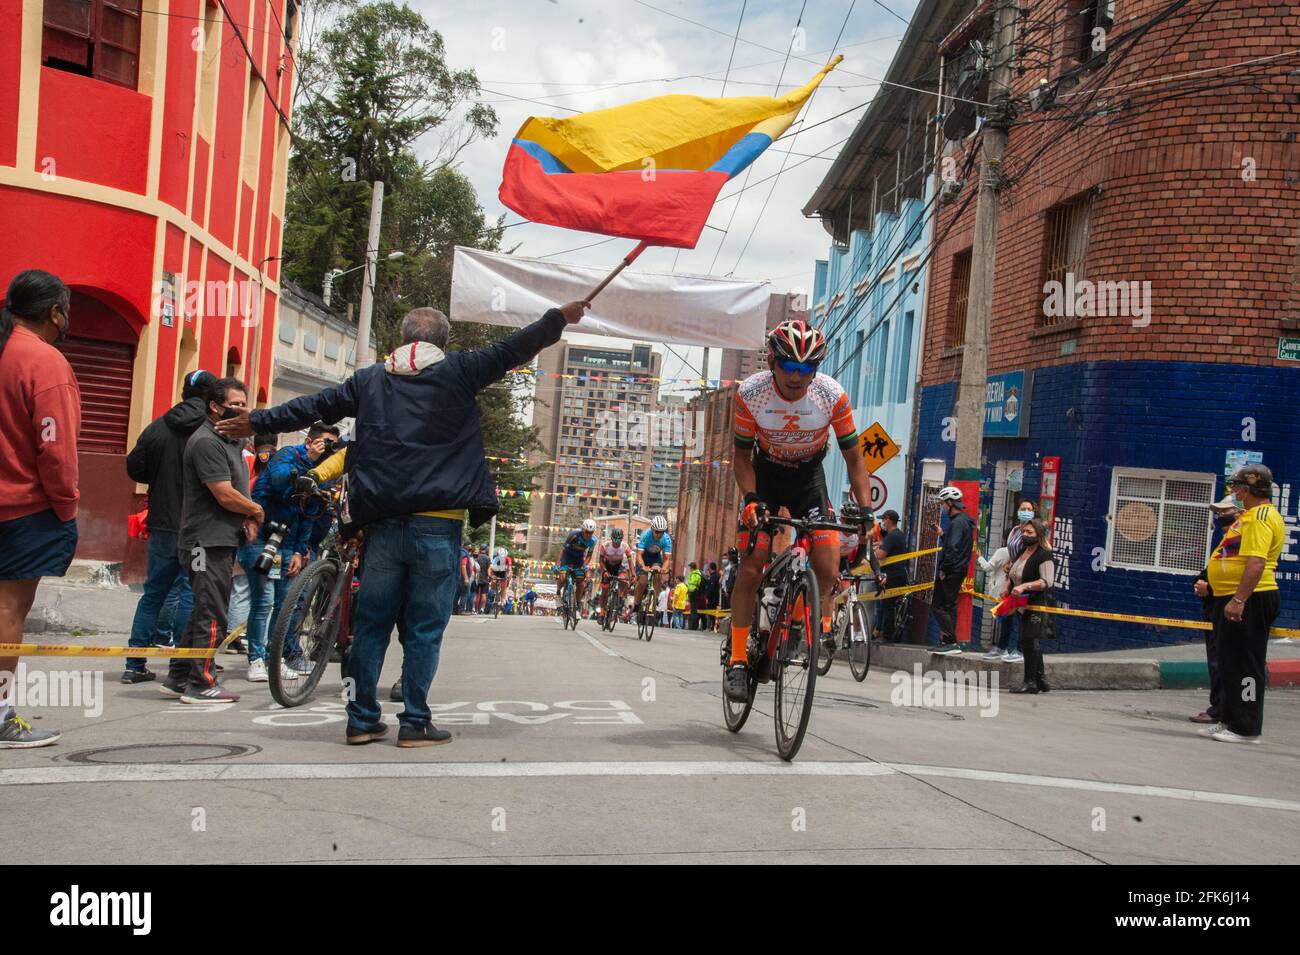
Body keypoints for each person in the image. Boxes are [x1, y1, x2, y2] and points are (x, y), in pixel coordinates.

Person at [219, 301, 589, 745]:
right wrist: (558, 319)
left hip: (384, 524)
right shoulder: (461, 370)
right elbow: (517, 347)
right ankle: (414, 721)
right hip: (439, 524)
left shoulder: (370, 379)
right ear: (444, 343)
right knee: (425, 627)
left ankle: (360, 720)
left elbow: (314, 406)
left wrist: (256, 419)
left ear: (401, 339)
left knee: (371, 624)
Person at [726, 319, 875, 701]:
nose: (797, 377)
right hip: (765, 477)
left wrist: (865, 509)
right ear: (773, 361)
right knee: (753, 564)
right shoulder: (751, 393)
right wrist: (750, 499)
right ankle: (739, 660)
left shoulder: (831, 396)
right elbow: (741, 458)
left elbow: (855, 458)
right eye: (790, 367)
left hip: (810, 477)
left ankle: (793, 627)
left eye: (807, 369)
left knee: (826, 567)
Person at [0, 270, 78, 748]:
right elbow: (56, 449)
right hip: (24, 509)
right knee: (9, 610)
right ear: (54, 312)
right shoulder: (43, 362)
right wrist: (66, 506)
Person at [163, 377, 262, 703]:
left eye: (244, 404)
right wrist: (254, 509)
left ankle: (179, 676)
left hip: (220, 539)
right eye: (234, 404)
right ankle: (202, 683)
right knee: (212, 612)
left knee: (203, 609)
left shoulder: (230, 442)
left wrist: (245, 517)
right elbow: (223, 493)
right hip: (202, 543)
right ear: (215, 407)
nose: (240, 410)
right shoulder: (207, 442)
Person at [120, 369, 215, 683]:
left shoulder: (158, 427)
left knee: (153, 594)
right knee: (192, 594)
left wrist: (158, 480)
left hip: (162, 524)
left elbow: (135, 466)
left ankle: (134, 664)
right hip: (198, 529)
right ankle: (183, 665)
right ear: (212, 399)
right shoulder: (211, 431)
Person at [239, 421, 339, 682]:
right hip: (262, 535)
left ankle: (276, 658)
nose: (327, 448)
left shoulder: (324, 472)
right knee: (264, 601)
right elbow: (279, 481)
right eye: (324, 442)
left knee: (284, 602)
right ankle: (256, 659)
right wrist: (309, 459)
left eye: (332, 445)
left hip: (285, 543)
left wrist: (299, 550)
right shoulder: (288, 455)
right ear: (310, 441)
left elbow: (309, 515)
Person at [1200, 465, 1285, 744]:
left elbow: (1257, 561)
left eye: (1236, 487)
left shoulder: (1260, 516)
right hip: (1232, 596)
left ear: (1247, 490)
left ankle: (1246, 728)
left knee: (1246, 662)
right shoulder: (1248, 517)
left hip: (1252, 597)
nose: (1233, 493)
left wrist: (1239, 599)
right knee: (1229, 662)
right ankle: (1229, 718)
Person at [1190, 496, 1243, 725]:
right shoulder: (1228, 538)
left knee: (1224, 661)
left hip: (1226, 606)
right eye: (1220, 513)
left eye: (1226, 512)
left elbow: (1237, 575)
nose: (1222, 517)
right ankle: (1221, 709)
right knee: (1218, 659)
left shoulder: (1242, 539)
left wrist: (1208, 588)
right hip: (1215, 607)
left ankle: (1223, 711)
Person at [1008, 519, 1055, 694]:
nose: (1025, 535)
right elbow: (1014, 572)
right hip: (1021, 603)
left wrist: (1024, 586)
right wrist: (1009, 586)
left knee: (1028, 640)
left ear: (1039, 535)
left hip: (1037, 603)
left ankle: (1030, 682)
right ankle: (1041, 680)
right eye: (1024, 532)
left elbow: (1046, 581)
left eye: (1030, 533)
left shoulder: (1044, 555)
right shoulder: (1023, 550)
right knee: (1029, 640)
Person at [929, 486, 975, 654]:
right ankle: (949, 641)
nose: (943, 507)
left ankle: (950, 641)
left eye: (943, 503)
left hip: (951, 570)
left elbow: (952, 549)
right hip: (959, 569)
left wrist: (944, 569)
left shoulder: (956, 523)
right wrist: (942, 534)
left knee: (939, 605)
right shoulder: (965, 521)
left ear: (949, 503)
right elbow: (954, 543)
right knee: (949, 606)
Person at [979, 528, 1022, 661]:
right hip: (1012, 589)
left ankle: (1004, 648)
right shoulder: (1018, 554)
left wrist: (979, 557)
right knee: (1014, 620)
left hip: (1003, 591)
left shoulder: (1002, 551)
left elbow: (987, 567)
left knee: (1006, 621)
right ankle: (1006, 648)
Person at [874, 510, 909, 644]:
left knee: (888, 605)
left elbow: (880, 555)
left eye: (883, 520)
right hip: (897, 574)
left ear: (888, 519)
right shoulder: (898, 535)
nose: (883, 523)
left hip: (892, 576)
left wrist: (875, 551)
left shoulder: (892, 536)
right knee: (886, 605)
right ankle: (881, 631)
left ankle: (886, 636)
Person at [555, 519, 597, 616]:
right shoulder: (573, 534)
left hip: (579, 559)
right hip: (567, 557)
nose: (588, 535)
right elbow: (562, 549)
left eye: (591, 533)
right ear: (583, 530)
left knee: (581, 583)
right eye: (586, 532)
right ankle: (558, 594)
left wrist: (584, 565)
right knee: (562, 576)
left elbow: (589, 555)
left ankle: (576, 606)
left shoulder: (593, 540)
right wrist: (557, 565)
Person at [633, 516, 672, 620]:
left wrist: (663, 568)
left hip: (655, 558)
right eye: (657, 532)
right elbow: (638, 555)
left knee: (658, 574)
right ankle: (637, 604)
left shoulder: (667, 539)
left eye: (661, 532)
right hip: (643, 557)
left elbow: (667, 558)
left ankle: (655, 597)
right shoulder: (645, 535)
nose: (659, 535)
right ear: (652, 529)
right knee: (642, 581)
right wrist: (643, 566)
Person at [596, 528, 631, 622]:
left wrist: (633, 575)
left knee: (624, 581)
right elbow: (601, 561)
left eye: (619, 540)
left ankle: (620, 598)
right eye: (615, 539)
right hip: (607, 567)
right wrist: (604, 571)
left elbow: (630, 562)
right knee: (605, 591)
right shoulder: (605, 546)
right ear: (611, 538)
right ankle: (602, 613)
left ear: (622, 539)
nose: (616, 542)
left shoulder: (625, 546)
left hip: (619, 567)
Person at [489, 547, 512, 612]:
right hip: (496, 571)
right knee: (493, 580)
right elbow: (491, 568)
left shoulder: (508, 559)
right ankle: (492, 591)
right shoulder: (495, 559)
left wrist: (508, 578)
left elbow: (510, 570)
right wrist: (491, 576)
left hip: (504, 572)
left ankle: (503, 600)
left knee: (503, 587)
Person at [686, 561, 704, 631]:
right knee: (693, 610)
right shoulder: (694, 573)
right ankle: (692, 625)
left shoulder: (695, 574)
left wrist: (690, 592)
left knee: (694, 610)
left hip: (693, 593)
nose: (689, 568)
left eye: (690, 567)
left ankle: (693, 626)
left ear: (691, 567)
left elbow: (693, 584)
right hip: (693, 592)